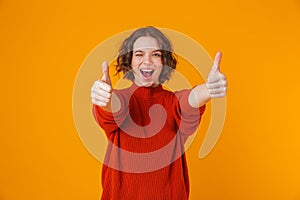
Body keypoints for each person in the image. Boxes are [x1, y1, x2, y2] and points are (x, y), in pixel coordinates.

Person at [90, 26, 227, 200]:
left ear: (164, 63)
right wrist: (104, 96)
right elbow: (113, 108)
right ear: (129, 62)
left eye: (155, 55)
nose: (147, 61)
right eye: (139, 54)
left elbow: (189, 101)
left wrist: (208, 90)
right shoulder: (121, 99)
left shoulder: (172, 103)